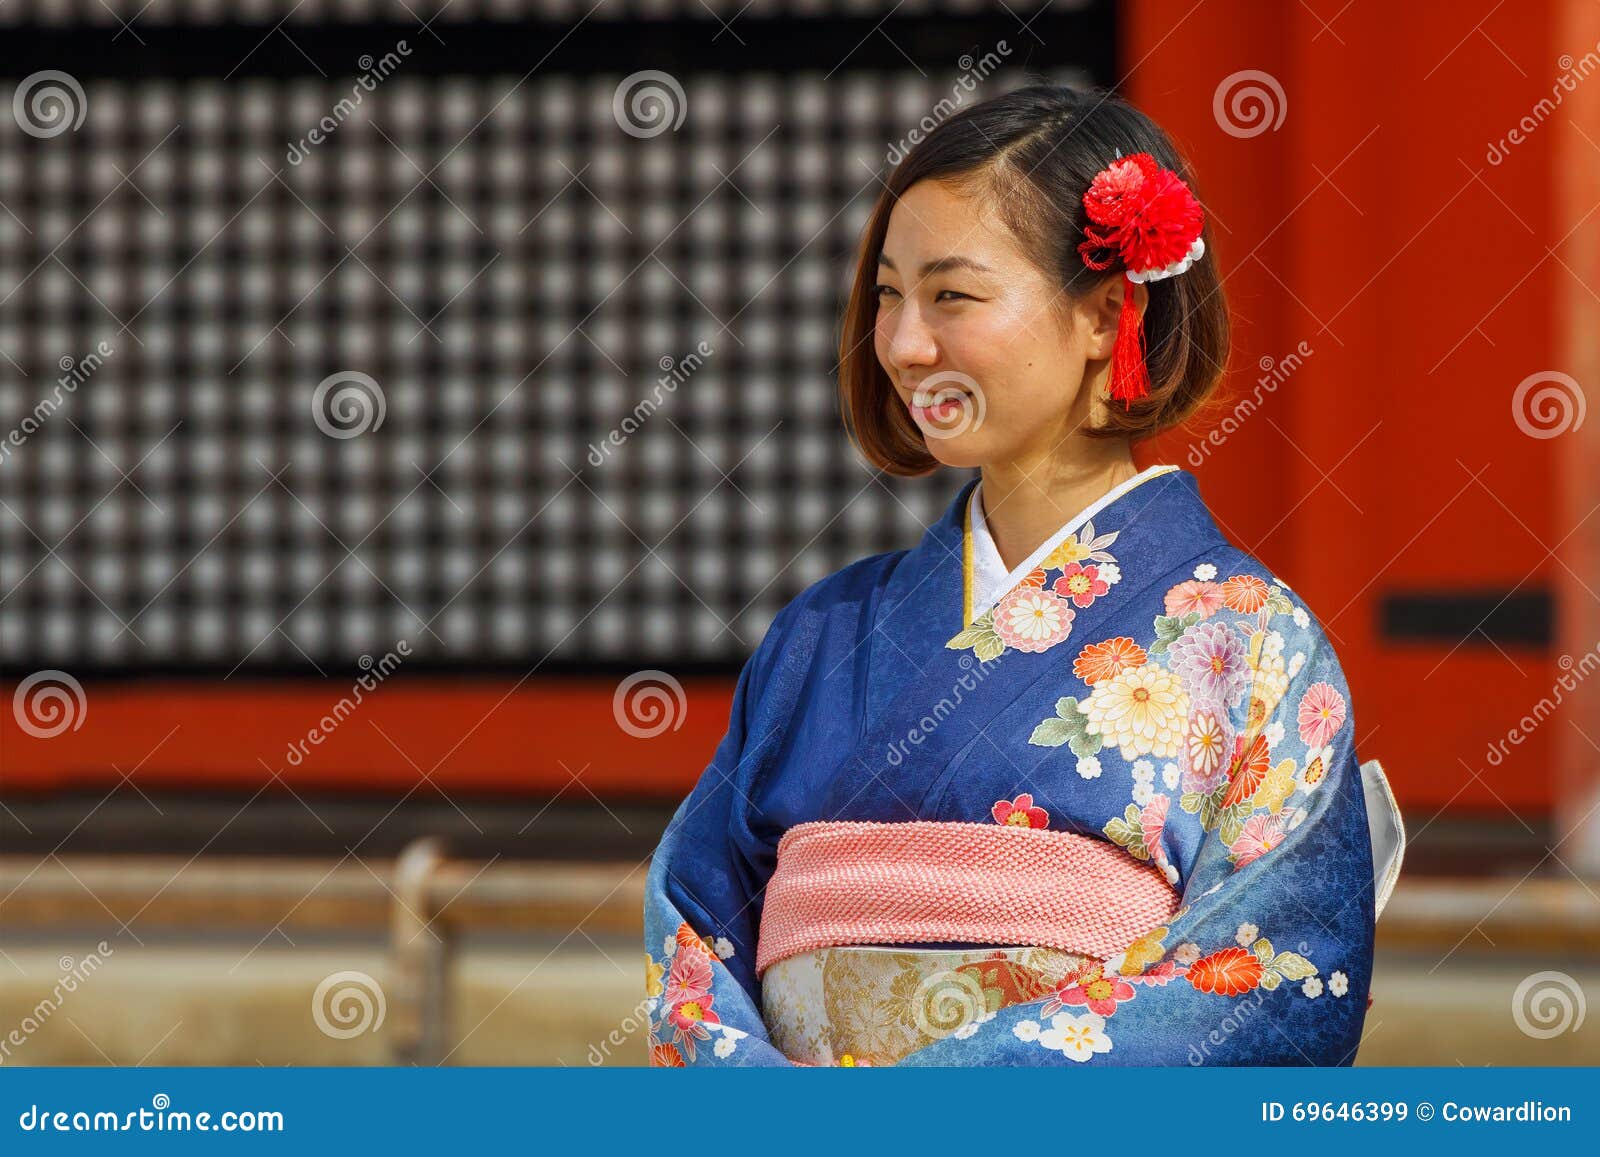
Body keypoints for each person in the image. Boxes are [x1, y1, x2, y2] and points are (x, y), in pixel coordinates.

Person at [642, 83, 1404, 1067]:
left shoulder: (1250, 642)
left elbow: (1272, 972)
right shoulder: (821, 634)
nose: (906, 344)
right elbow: (697, 925)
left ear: (1102, 314)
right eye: (886, 295)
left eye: (951, 296)